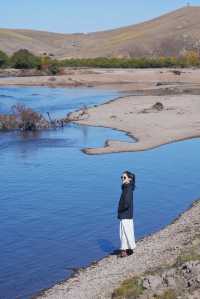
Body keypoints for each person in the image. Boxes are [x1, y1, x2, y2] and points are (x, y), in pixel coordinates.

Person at [117, 171, 136, 258]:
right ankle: (129, 249)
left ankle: (124, 251)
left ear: (129, 179)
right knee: (127, 232)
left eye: (124, 177)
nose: (122, 179)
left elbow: (127, 203)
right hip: (127, 214)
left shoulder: (127, 188)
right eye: (122, 177)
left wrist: (120, 209)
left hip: (125, 214)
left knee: (124, 232)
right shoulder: (127, 187)